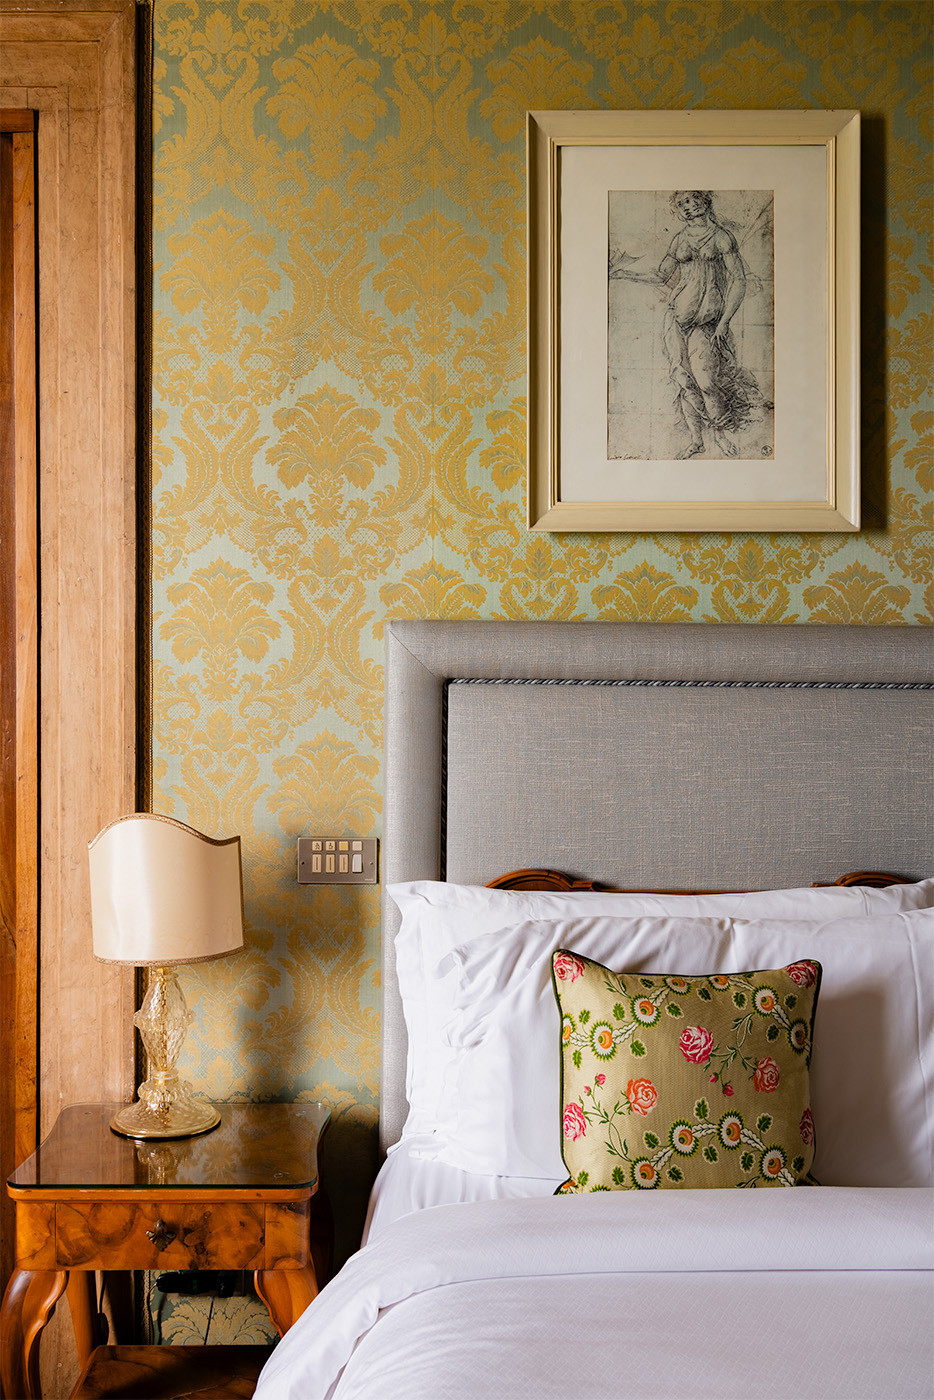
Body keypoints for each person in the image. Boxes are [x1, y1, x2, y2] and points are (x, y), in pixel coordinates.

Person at [610, 190, 765, 459]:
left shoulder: (721, 237)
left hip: (707, 324)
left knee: (706, 382)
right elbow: (660, 275)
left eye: (693, 201)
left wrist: (725, 322)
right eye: (682, 204)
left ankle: (719, 435)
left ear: (705, 202)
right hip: (676, 320)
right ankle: (696, 440)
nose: (689, 207)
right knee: (684, 381)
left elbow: (739, 280)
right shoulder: (679, 239)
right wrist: (623, 273)